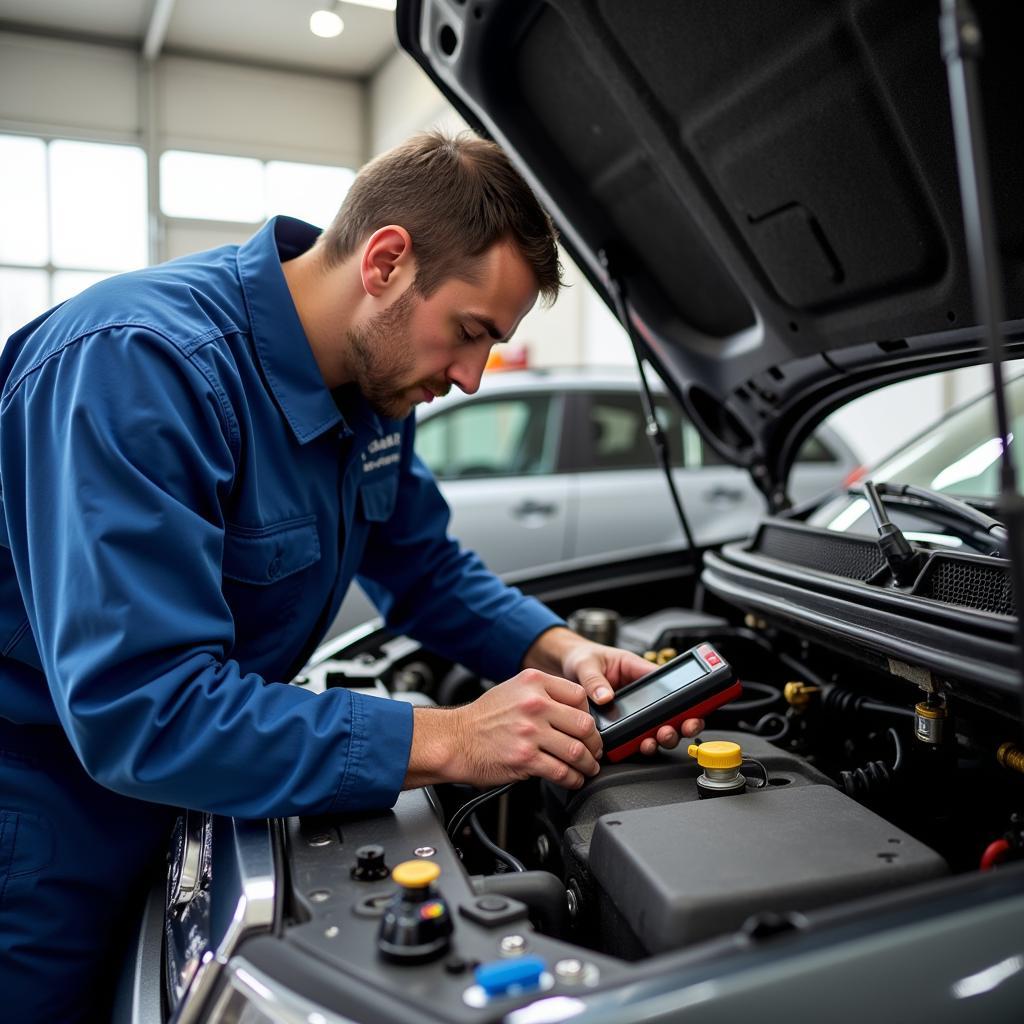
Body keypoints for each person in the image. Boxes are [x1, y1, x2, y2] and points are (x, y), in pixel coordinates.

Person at [0, 130, 702, 1021]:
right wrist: (447, 738)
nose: (473, 377)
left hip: (198, 793)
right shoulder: (139, 367)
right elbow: (147, 709)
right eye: (471, 332)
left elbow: (427, 568)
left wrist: (562, 650)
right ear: (386, 260)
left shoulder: (371, 388)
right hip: (43, 823)